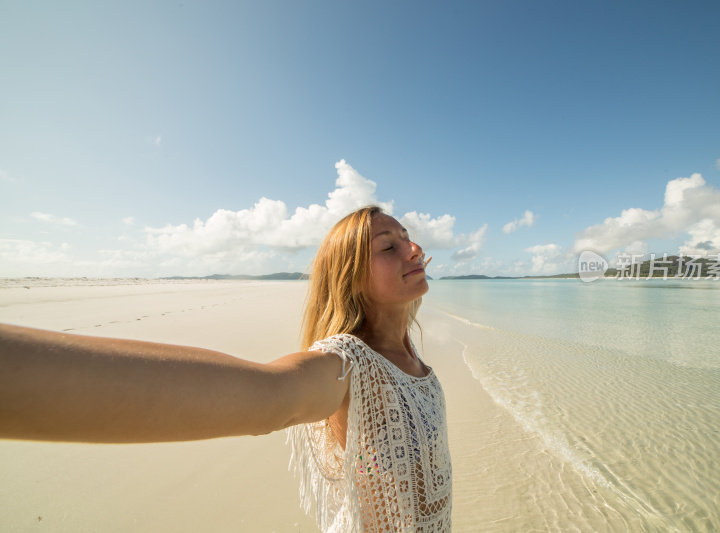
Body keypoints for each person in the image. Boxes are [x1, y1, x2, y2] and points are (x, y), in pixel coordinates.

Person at [0, 205, 452, 533]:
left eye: (407, 237)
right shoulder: (348, 364)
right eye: (388, 246)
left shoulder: (417, 362)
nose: (414, 249)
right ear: (351, 275)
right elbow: (268, 397)